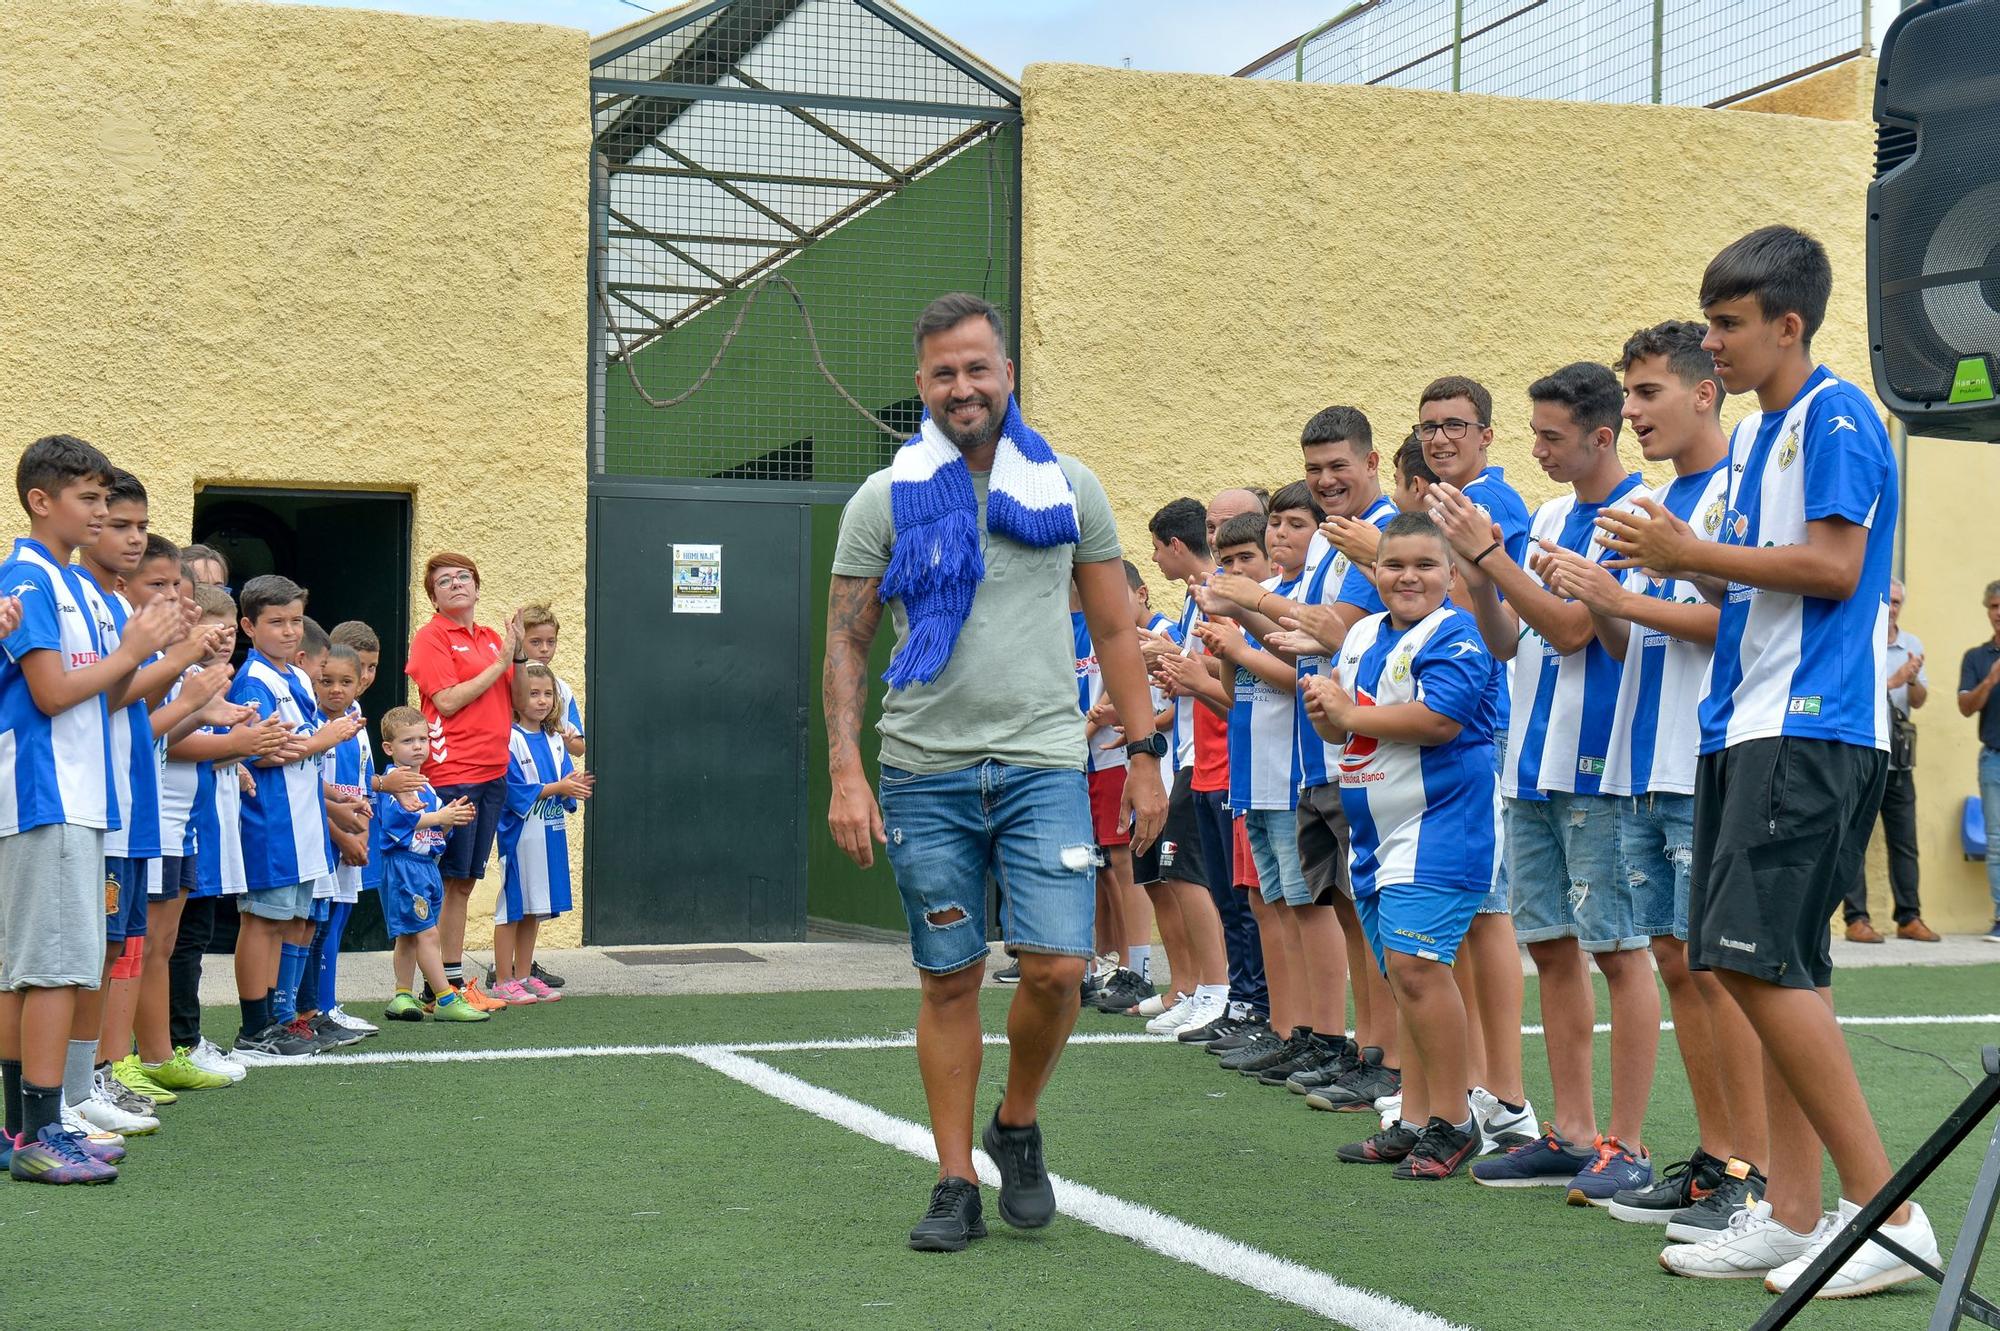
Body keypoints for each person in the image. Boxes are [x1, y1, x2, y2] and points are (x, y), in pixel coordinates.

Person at [1612, 226, 1938, 1294]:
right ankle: (1793, 1211)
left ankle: (1886, 1216)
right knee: (1756, 966)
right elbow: (1740, 584)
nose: (1710, 345)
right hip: (1744, 722)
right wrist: (1650, 558)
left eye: (1725, 324)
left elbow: (1835, 569)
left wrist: (1685, 553)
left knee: (1755, 963)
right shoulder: (1757, 441)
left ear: (1785, 324)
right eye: (1706, 322)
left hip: (1808, 723)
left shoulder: (1836, 413)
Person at [825, 292, 1165, 1253]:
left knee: (1058, 969)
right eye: (943, 372)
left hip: (1045, 765)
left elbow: (1114, 629)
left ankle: (1015, 1124)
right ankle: (951, 1179)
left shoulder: (1069, 486)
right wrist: (848, 771)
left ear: (1007, 373)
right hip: (924, 772)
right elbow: (846, 646)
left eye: (979, 368)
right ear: (922, 385)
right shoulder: (882, 499)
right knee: (949, 979)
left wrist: (1142, 758)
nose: (963, 387)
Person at [1537, 321, 1771, 1235]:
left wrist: (1613, 597)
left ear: (1704, 391)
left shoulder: (1737, 490)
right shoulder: (1664, 498)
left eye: (1645, 394)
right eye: (1627, 397)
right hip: (1644, 755)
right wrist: (1602, 603)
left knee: (1715, 972)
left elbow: (1748, 621)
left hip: (1704, 754)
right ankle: (1717, 1161)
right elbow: (1636, 638)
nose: (1630, 412)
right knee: (1678, 961)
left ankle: (1748, 1171)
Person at [1431, 363, 1659, 1200]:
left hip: (1600, 767)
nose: (1538, 450)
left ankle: (1625, 1142)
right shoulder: (1555, 513)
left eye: (1552, 437)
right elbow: (1505, 638)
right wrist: (1481, 577)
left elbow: (1571, 631)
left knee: (1618, 951)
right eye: (1533, 435)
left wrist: (1492, 553)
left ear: (1601, 436)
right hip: (1527, 762)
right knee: (1553, 949)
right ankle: (1569, 1130)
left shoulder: (1639, 515)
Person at [1, 434, 178, 1183]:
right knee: (46, 968)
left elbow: (103, 692)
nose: (104, 512)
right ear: (42, 501)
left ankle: (24, 1127)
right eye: (89, 498)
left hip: (79, 793)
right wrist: (135, 645)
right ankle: (40, 1130)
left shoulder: (70, 583)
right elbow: (49, 693)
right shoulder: (30, 577)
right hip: (50, 792)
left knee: (49, 965)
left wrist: (140, 653)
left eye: (107, 498)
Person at [1306, 513, 1499, 1178]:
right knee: (1402, 975)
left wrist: (1350, 715)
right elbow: (1347, 729)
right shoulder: (1360, 633)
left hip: (1443, 823)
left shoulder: (1458, 632)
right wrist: (1329, 718)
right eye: (1394, 564)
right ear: (1375, 570)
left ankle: (1454, 1116)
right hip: (1378, 832)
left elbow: (1438, 721)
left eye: (1424, 564)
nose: (1407, 576)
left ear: (1450, 574)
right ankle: (1415, 1115)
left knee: (1417, 968)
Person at [1414, 376, 1536, 1153]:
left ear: (1487, 435)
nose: (1439, 438)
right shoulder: (1439, 504)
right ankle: (1471, 1084)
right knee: (1459, 911)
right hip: (1449, 719)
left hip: (1481, 717)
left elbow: (1483, 606)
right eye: (1428, 426)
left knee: (1486, 908)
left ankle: (1506, 1093)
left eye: (1455, 424)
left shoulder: (1493, 501)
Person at [1196, 502, 1330, 1081]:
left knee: (1301, 908)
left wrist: (1242, 634)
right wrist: (1224, 651)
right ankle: (1286, 1027)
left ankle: (1315, 1032)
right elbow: (1234, 688)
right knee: (1267, 903)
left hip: (1291, 770)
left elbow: (1300, 676)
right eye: (1276, 525)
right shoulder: (1268, 596)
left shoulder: (1293, 602)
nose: (1280, 537)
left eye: (1293, 526)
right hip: (1252, 772)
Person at [150, 584, 285, 1089]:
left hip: (189, 823)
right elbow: (157, 737)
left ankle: (176, 1042)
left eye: (229, 627)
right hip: (163, 823)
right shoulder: (173, 674)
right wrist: (236, 744)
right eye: (214, 624)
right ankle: (164, 1046)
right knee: (160, 944)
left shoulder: (199, 679)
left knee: (182, 939)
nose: (223, 637)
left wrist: (234, 748)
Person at [227, 575, 358, 1062]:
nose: (287, 631)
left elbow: (299, 745)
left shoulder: (294, 677)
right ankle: (253, 1027)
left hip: (301, 821)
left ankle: (281, 1019)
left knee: (288, 922)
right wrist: (327, 738)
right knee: (261, 922)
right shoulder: (254, 679)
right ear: (249, 627)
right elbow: (260, 750)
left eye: (295, 621)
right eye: (275, 622)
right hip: (271, 821)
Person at [406, 553, 520, 1013]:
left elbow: (511, 696)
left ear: (477, 585)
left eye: (464, 577)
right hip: (454, 774)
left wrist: (520, 651)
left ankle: (447, 982)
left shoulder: (493, 638)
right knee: (445, 879)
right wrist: (501, 664)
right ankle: (437, 985)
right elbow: (448, 701)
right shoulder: (431, 637)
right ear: (433, 596)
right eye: (444, 581)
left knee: (465, 882)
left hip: (493, 772)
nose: (456, 584)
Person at [1137, 510, 1231, 1038]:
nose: (1154, 556)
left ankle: (1215, 993)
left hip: (1209, 761)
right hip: (1195, 759)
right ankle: (1204, 990)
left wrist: (1174, 661)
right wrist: (1177, 666)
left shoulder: (1218, 595)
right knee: (1188, 878)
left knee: (1194, 881)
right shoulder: (1199, 595)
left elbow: (1229, 672)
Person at [373, 707, 486, 1023]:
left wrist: (450, 819)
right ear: (389, 748)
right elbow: (398, 822)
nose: (418, 746)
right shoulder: (393, 783)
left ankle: (402, 995)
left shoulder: (426, 785)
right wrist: (439, 817)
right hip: (405, 867)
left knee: (410, 934)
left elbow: (433, 831)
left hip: (425, 867)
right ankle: (445, 997)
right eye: (408, 740)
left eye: (423, 738)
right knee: (426, 933)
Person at [1842, 579, 1935, 941]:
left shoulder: (1912, 644)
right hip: (1861, 752)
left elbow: (1920, 700)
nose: (1892, 607)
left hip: (1898, 759)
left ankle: (1909, 917)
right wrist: (1896, 678)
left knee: (1904, 841)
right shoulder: (1861, 636)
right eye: (1889, 600)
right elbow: (1855, 690)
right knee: (1854, 840)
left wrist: (1912, 680)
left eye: (1898, 602)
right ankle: (1856, 919)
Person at [493, 663, 590, 1004]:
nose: (542, 700)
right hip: (519, 837)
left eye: (548, 693)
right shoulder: (511, 739)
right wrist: (558, 787)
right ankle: (502, 979)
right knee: (513, 908)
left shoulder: (555, 740)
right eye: (533, 693)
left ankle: (524, 975)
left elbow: (565, 781)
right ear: (516, 697)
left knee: (535, 909)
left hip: (549, 835)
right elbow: (513, 790)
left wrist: (571, 789)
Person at [1959, 579, 2000, 944]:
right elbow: (1966, 707)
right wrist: (1990, 681)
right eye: (1994, 607)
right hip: (1994, 761)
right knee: (1997, 841)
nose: (1999, 614)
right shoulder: (1976, 657)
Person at [519, 604, 586, 759]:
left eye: (551, 642)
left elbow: (579, 748)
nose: (544, 649)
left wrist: (564, 737)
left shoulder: (561, 688)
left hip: (552, 769)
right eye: (535, 642)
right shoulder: (506, 682)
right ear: (519, 641)